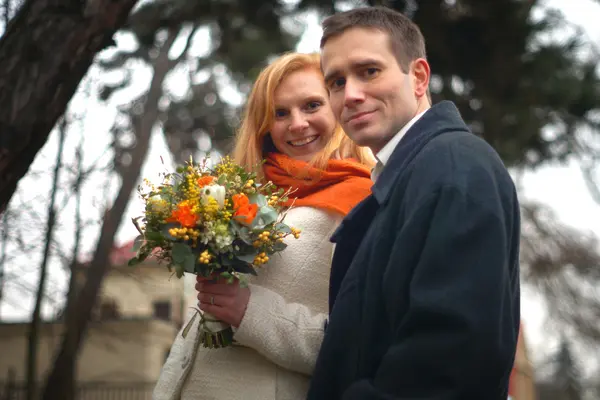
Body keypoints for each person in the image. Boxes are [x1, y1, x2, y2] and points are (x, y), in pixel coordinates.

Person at [307, 6, 521, 399]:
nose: (350, 95)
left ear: (418, 77)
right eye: (336, 82)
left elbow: (449, 360)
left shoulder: (455, 165)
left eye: (369, 71)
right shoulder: (408, 177)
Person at [152, 52, 374, 400]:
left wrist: (250, 313)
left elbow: (362, 346)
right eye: (280, 113)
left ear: (340, 107)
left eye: (312, 105)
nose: (297, 124)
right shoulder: (249, 197)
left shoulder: (364, 202)